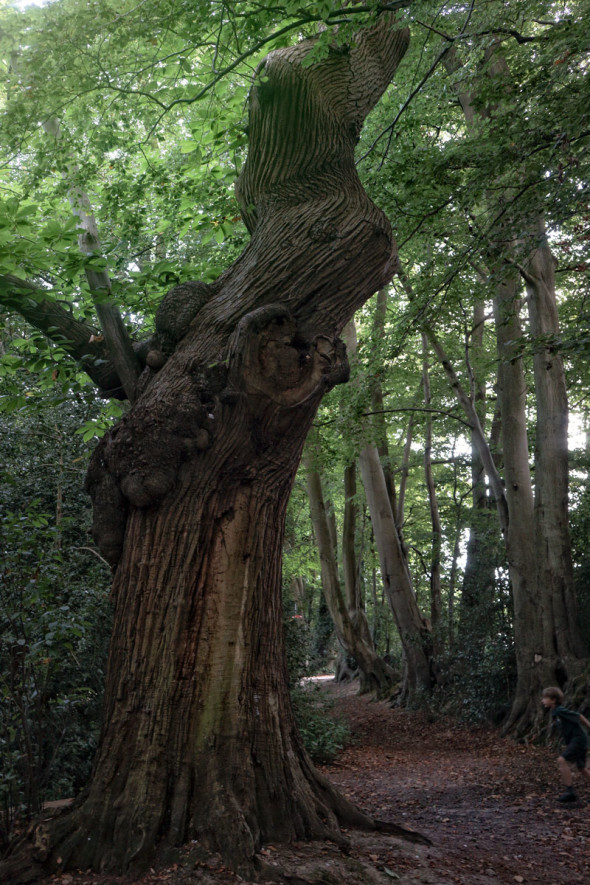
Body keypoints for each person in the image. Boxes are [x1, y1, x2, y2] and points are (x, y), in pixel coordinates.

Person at [541, 686, 590, 802]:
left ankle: (570, 791)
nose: (542, 700)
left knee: (561, 760)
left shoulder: (559, 710)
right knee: (582, 768)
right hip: (578, 740)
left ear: (553, 700)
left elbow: (579, 716)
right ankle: (570, 791)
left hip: (579, 739)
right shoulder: (555, 712)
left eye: (545, 698)